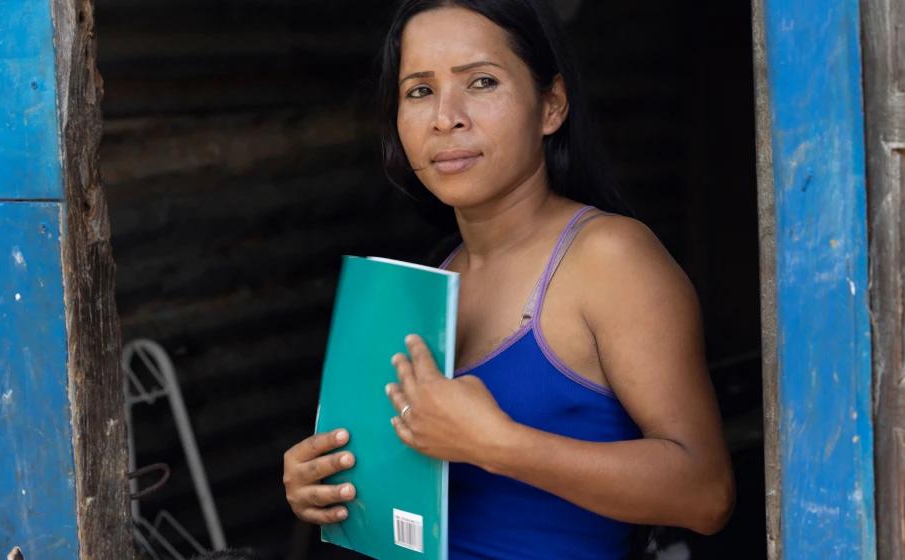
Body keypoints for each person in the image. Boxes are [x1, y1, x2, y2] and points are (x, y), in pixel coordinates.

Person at [283, 0, 735, 558]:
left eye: (481, 82)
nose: (445, 116)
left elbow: (706, 495)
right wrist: (327, 480)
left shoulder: (609, 259)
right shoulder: (430, 281)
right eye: (419, 91)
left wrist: (497, 445)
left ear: (552, 105)